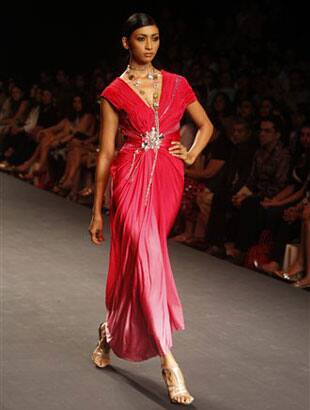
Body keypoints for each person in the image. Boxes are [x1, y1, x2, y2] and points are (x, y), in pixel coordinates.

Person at [88, 13, 213, 406]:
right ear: (126, 42)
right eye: (141, 39)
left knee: (137, 264)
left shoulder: (177, 83)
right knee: (146, 255)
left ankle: (108, 332)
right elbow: (106, 151)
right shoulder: (114, 91)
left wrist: (190, 155)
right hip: (128, 179)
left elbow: (206, 126)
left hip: (167, 180)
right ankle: (168, 360)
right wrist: (96, 210)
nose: (149, 46)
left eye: (155, 39)